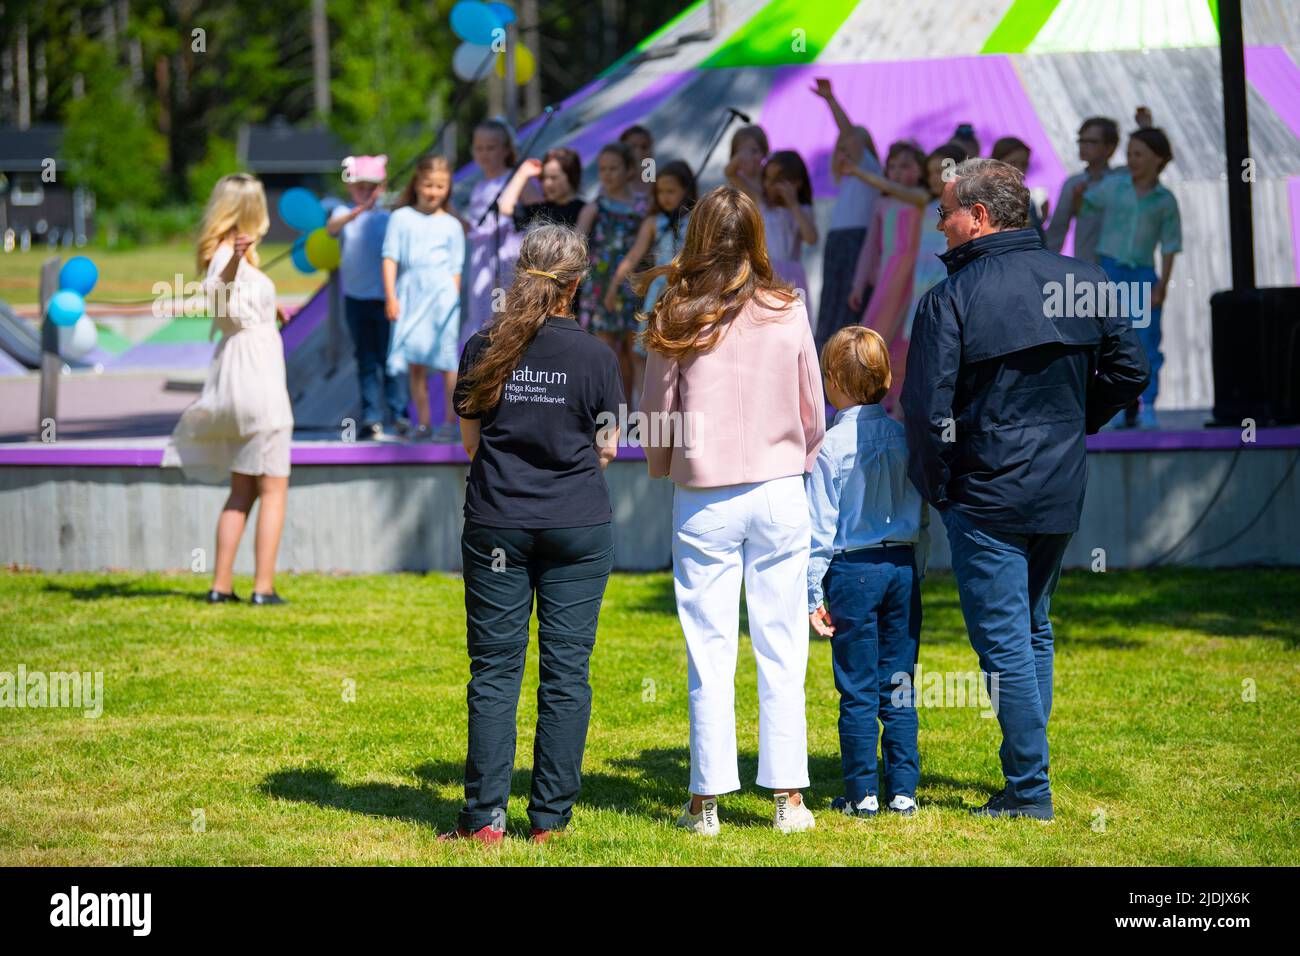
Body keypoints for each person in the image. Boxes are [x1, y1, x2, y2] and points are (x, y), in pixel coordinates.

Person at [902, 158, 1149, 820]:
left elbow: (926, 410)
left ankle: (1029, 789)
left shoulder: (950, 297)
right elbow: (1131, 372)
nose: (939, 221)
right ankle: (1029, 780)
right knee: (1032, 630)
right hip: (1058, 486)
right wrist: (1076, 424)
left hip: (986, 493)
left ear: (978, 217)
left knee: (1009, 641)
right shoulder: (1084, 279)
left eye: (945, 211)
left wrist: (939, 487)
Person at [638, 185, 826, 836]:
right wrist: (800, 459)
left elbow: (656, 415)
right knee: (783, 643)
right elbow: (812, 405)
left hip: (705, 491)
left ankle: (706, 803)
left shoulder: (677, 310)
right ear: (756, 236)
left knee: (709, 648)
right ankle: (789, 799)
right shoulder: (789, 306)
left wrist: (664, 472)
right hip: (779, 486)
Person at [445, 224, 623, 845]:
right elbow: (607, 449)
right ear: (577, 284)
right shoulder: (598, 356)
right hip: (577, 524)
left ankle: (484, 819)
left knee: (494, 670)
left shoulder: (482, 346)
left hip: (498, 523)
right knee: (566, 672)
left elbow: (470, 444)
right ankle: (548, 823)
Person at [807, 326, 927, 818]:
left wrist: (812, 592)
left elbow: (818, 528)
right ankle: (903, 790)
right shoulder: (905, 439)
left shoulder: (830, 448)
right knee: (899, 680)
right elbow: (921, 514)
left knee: (856, 686)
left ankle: (862, 793)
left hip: (852, 570)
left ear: (833, 380)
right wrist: (916, 568)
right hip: (900, 566)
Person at [163, 173, 294, 606]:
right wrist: (238, 261)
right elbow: (218, 293)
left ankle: (221, 585)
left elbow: (232, 302)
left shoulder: (232, 257)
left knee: (243, 487)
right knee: (274, 485)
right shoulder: (229, 255)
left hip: (237, 372)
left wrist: (270, 307)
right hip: (258, 377)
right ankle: (264, 587)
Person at [1078, 126, 1181, 429]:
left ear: (1158, 159)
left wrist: (1162, 285)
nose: (1132, 160)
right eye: (1130, 154)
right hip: (1109, 272)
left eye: (1139, 154)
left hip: (1142, 274)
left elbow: (1170, 245)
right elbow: (1085, 204)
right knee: (1107, 342)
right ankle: (1116, 408)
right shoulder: (1115, 187)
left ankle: (1148, 405)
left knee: (1146, 342)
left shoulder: (1165, 200)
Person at [382, 155, 466, 442]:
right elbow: (390, 257)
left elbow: (456, 268)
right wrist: (391, 296)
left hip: (442, 297)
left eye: (440, 186)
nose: (433, 192)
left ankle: (450, 423)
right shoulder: (401, 218)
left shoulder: (452, 225)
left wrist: (451, 299)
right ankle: (424, 422)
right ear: (417, 183)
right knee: (415, 361)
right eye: (429, 185)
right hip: (411, 294)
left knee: (446, 361)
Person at [606, 159, 698, 405]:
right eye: (661, 192)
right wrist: (615, 285)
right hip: (658, 294)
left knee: (679, 354)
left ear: (686, 190)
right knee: (644, 353)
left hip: (686, 293)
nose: (665, 197)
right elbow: (634, 255)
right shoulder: (654, 222)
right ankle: (643, 409)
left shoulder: (697, 220)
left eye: (672, 191)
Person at [848, 141, 927, 416]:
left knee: (906, 338)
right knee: (876, 333)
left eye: (905, 166)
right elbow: (871, 247)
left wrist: (862, 174)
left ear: (921, 169)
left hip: (915, 275)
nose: (896, 172)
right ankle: (869, 398)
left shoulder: (921, 197)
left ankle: (897, 402)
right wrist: (859, 283)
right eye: (891, 167)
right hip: (889, 276)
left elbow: (908, 194)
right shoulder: (882, 203)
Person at [328, 154, 404, 439]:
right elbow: (332, 229)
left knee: (391, 360)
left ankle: (398, 415)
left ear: (381, 188)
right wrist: (358, 211)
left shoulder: (388, 218)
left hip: (386, 299)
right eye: (359, 186)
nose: (365, 192)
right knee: (366, 360)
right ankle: (371, 417)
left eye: (371, 187)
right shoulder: (341, 213)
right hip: (356, 299)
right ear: (350, 187)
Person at [810, 77, 881, 357]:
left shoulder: (869, 167)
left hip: (856, 244)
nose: (844, 153)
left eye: (849, 148)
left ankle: (848, 361)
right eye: (838, 149)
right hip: (838, 244)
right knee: (831, 303)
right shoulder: (848, 182)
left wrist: (830, 100)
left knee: (848, 307)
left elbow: (849, 134)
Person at [579, 142, 646, 383]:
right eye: (603, 169)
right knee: (608, 357)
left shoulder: (643, 206)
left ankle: (639, 416)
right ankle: (616, 416)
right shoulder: (595, 208)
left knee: (635, 353)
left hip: (632, 286)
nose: (607, 174)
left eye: (613, 168)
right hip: (601, 287)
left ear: (629, 170)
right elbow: (576, 243)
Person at [461, 119, 527, 349]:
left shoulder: (516, 179)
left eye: (491, 148)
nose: (484, 153)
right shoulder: (479, 186)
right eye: (479, 148)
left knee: (504, 311)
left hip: (506, 257)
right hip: (482, 262)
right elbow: (475, 229)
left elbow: (534, 215)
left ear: (506, 149)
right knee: (481, 311)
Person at [1043, 117, 1121, 262]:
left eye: (1092, 142)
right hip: (1088, 267)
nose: (1084, 146)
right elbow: (1057, 231)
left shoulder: (1123, 181)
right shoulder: (1073, 184)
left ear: (1110, 148)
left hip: (1122, 269)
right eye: (1081, 141)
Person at [759, 150, 818, 325]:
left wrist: (793, 204)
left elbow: (811, 238)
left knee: (792, 323)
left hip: (791, 276)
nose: (770, 185)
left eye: (777, 180)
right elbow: (731, 173)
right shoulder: (763, 205)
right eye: (767, 178)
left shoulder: (802, 211)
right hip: (765, 272)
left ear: (796, 183)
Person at [498, 147, 585, 230]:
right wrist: (522, 174)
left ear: (572, 176)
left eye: (553, 177)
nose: (546, 183)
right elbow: (505, 208)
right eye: (543, 177)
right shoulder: (543, 210)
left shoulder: (584, 210)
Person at [990, 136, 1047, 240]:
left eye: (1024, 164)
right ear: (996, 164)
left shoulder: (1028, 202)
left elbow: (1039, 243)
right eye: (1013, 163)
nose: (1019, 170)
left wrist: (1040, 220)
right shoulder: (982, 198)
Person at [723, 124, 769, 202]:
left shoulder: (768, 176)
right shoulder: (736, 178)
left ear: (764, 152)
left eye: (754, 151)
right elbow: (728, 172)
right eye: (741, 151)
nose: (748, 157)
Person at [619, 124, 655, 206]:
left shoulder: (661, 183)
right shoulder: (612, 185)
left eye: (644, 147)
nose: (639, 152)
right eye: (632, 147)